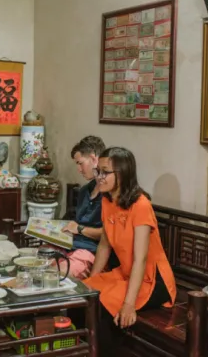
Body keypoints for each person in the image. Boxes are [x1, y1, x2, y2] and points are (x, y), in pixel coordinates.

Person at [83, 147, 176, 350]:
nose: (99, 177)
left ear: (123, 173)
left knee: (103, 306)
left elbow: (140, 259)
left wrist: (128, 304)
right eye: (98, 171)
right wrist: (92, 281)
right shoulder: (107, 200)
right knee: (83, 295)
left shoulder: (140, 205)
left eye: (105, 172)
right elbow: (104, 245)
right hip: (126, 273)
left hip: (153, 281)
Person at [58, 136, 108, 279]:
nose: (79, 170)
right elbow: (77, 221)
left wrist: (79, 229)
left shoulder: (109, 193)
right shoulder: (85, 191)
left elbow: (111, 233)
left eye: (80, 163)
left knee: (60, 272)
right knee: (39, 260)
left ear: (93, 158)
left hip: (91, 251)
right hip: (72, 245)